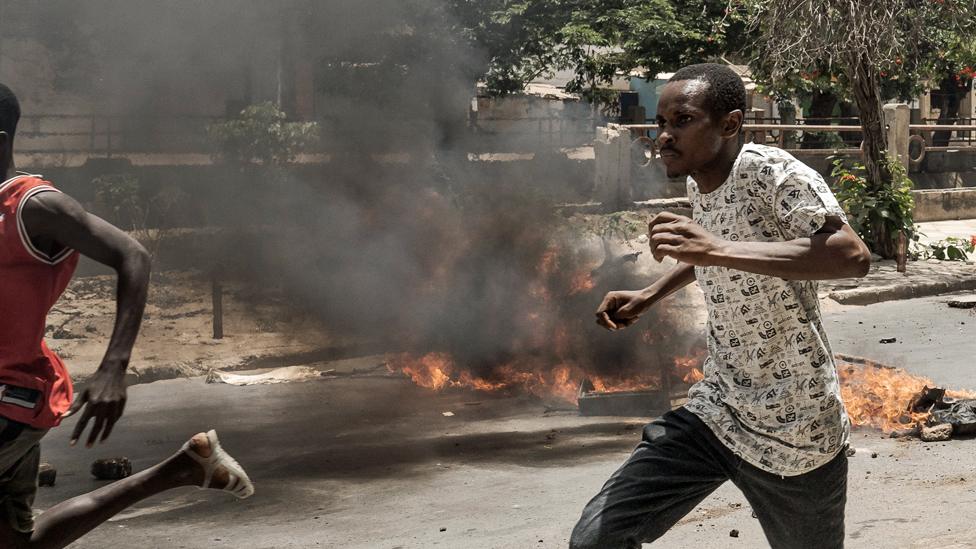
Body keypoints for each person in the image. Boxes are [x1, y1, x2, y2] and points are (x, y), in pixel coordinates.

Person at [570, 63, 872, 549]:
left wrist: (711, 248)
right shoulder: (700, 181)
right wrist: (649, 295)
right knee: (598, 538)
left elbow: (850, 255)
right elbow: (721, 248)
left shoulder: (773, 173)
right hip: (719, 408)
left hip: (796, 428)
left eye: (681, 121)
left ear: (729, 124)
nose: (663, 137)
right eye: (661, 123)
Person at [0, 83, 253, 549]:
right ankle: (184, 468)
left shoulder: (34, 207)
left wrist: (114, 365)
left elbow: (132, 254)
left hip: (9, 398)